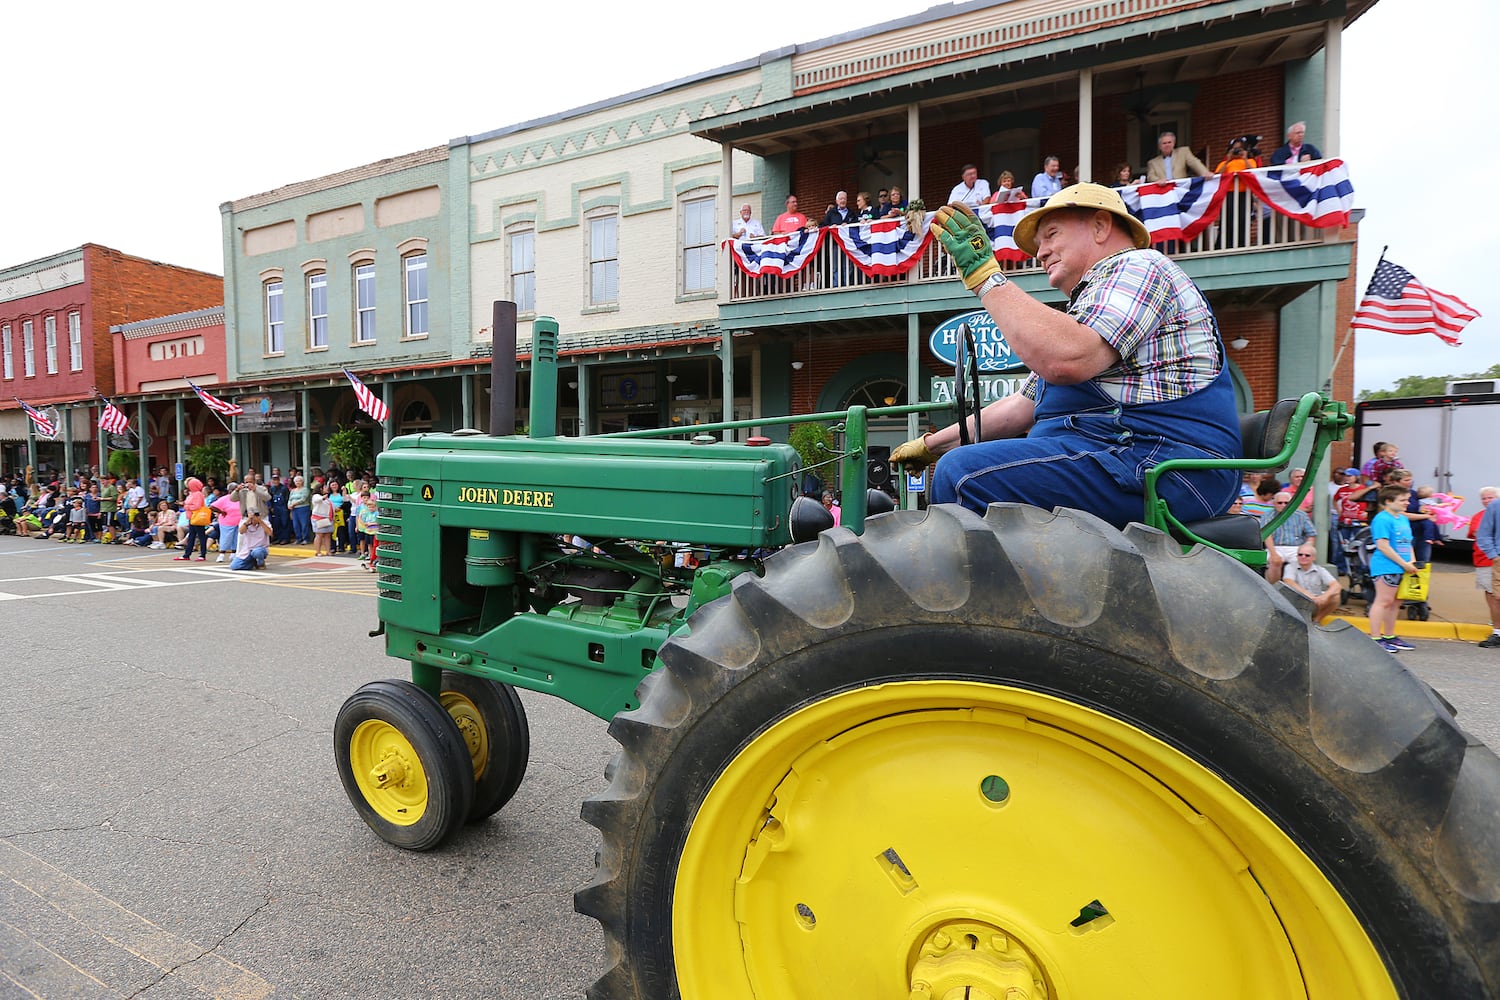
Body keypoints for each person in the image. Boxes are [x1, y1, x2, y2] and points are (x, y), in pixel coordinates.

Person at [891, 184, 1240, 528]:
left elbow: (1068, 360)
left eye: (1051, 235)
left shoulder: (1138, 266)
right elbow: (1019, 408)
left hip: (1166, 466)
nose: (1041, 252)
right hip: (1127, 459)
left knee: (964, 474)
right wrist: (928, 446)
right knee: (958, 464)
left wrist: (986, 277)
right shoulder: (1091, 305)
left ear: (1101, 226)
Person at [1368, 484, 1419, 653]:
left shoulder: (1402, 518)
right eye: (1403, 500)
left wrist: (1411, 561)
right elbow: (1383, 545)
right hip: (1386, 565)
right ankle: (1375, 637)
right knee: (1384, 601)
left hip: (1403, 566)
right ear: (1388, 501)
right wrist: (1404, 563)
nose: (1407, 503)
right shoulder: (1382, 519)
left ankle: (1389, 635)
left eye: (1407, 500)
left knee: (1396, 602)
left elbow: (1407, 542)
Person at [1214, 137, 1259, 247]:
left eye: (1239, 149)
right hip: (1229, 194)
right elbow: (1217, 175)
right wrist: (1228, 159)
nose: (1237, 151)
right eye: (1235, 149)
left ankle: (1241, 244)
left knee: (1243, 220)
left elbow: (1253, 172)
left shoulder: (1250, 161)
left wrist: (1244, 158)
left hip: (1244, 194)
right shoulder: (1225, 163)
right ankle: (1224, 245)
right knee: (1227, 220)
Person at [1470, 486, 1500, 648]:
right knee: (1495, 597)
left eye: (1490, 497)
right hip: (1494, 561)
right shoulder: (1495, 507)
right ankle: (1498, 633)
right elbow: (1482, 533)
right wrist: (1495, 556)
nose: (1487, 500)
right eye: (1484, 498)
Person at [1282, 541, 1343, 618]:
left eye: (1307, 555)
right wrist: (1309, 596)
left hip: (1316, 603)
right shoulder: (1290, 567)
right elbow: (1289, 582)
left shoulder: (1320, 570)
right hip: (1296, 602)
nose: (1303, 557)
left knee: (1336, 597)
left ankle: (1317, 621)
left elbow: (1336, 585)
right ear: (1296, 556)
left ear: (1314, 557)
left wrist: (1324, 597)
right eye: (1300, 554)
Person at [1264, 491, 1317, 565]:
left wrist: (1307, 548)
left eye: (1286, 503)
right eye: (1280, 503)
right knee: (1273, 561)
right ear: (1274, 503)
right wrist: (1273, 553)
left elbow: (1311, 534)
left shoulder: (1301, 515)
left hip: (1296, 547)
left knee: (1302, 561)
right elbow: (1267, 536)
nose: (1283, 505)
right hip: (1275, 547)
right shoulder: (1267, 515)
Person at [1145, 131, 1211, 182]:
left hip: (1181, 189)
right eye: (1164, 143)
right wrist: (1158, 180)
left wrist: (1204, 172)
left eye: (1169, 142)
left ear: (1174, 143)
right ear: (1159, 146)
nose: (1167, 145)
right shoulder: (1152, 162)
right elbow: (1150, 176)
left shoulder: (1183, 152)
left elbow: (1194, 162)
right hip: (1164, 191)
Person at [175, 476, 210, 561]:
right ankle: (187, 554)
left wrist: (186, 506)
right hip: (192, 517)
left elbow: (197, 506)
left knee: (200, 536)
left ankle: (202, 554)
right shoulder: (193, 493)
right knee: (192, 536)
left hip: (196, 517)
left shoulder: (197, 494)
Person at [288, 475, 311, 545]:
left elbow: (303, 499)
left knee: (304, 524)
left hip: (303, 508)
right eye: (296, 481)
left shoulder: (305, 489)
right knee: (295, 525)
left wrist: (294, 504)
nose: (298, 482)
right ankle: (298, 538)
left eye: (299, 481)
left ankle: (306, 539)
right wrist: (289, 505)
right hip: (294, 509)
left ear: (302, 482)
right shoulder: (293, 490)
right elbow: (290, 499)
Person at [310, 491, 334, 556]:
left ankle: (328, 551)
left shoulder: (328, 499)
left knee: (327, 535)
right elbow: (317, 500)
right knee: (319, 535)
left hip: (328, 518)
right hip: (318, 518)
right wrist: (323, 497)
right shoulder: (316, 495)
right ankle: (318, 551)